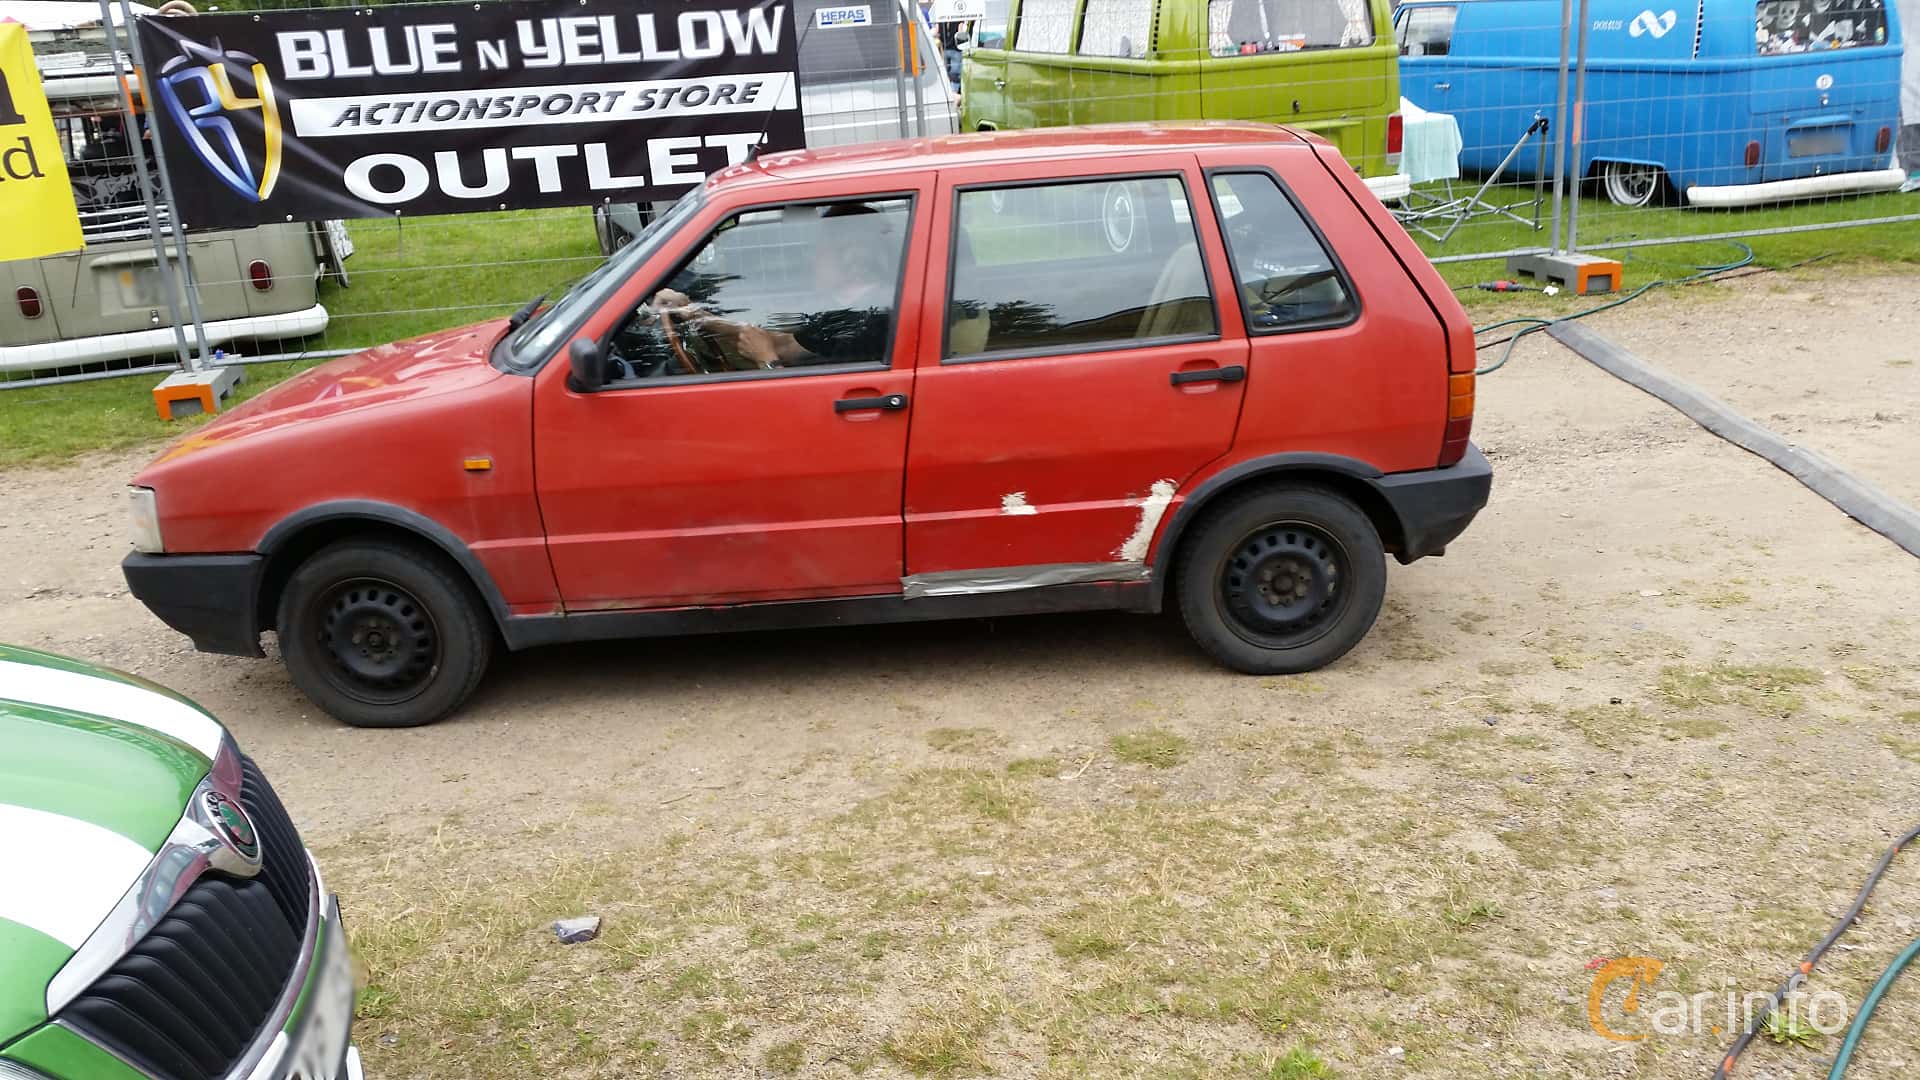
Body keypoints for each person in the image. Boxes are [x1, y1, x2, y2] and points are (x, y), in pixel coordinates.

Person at [649, 203, 899, 368]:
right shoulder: (850, 311)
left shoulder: (872, 320)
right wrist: (700, 317)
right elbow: (788, 345)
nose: (812, 258)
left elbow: (811, 406)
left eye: (821, 249)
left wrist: (766, 360)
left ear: (851, 256)